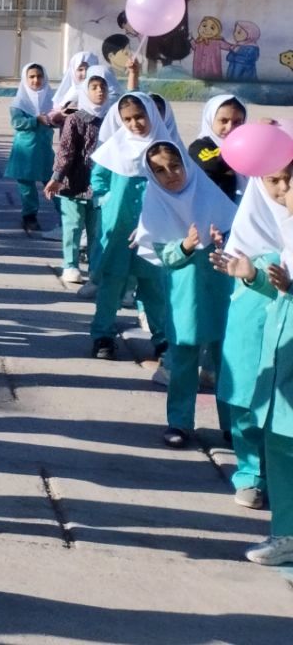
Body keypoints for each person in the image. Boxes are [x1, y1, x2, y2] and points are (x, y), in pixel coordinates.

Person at [133, 140, 235, 448]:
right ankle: (179, 422)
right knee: (183, 361)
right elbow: (164, 256)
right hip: (184, 295)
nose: (170, 175)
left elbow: (237, 236)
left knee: (226, 361)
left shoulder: (209, 194)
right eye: (160, 171)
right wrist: (186, 246)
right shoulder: (157, 202)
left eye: (175, 166)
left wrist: (221, 240)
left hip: (220, 290)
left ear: (186, 165)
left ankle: (232, 424)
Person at [214, 176, 293, 566]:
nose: (282, 191)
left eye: (289, 182)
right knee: (271, 433)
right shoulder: (277, 234)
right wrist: (252, 275)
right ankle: (281, 530)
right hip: (276, 347)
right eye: (276, 182)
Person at [88, 92, 174, 361]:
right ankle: (103, 334)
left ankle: (162, 338)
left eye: (140, 116)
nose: (135, 123)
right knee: (112, 284)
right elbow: (99, 178)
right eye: (128, 119)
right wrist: (107, 200)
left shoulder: (166, 149)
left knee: (154, 287)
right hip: (119, 229)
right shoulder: (115, 147)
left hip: (154, 229)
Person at [45, 68, 111, 288]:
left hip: (100, 185)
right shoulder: (75, 119)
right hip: (74, 181)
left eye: (103, 87)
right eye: (94, 87)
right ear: (85, 90)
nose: (99, 91)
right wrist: (57, 177)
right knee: (72, 226)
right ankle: (70, 265)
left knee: (95, 230)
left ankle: (95, 268)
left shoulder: (112, 119)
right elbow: (66, 150)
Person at [4, 64, 57, 233]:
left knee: (53, 182)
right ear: (25, 79)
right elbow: (17, 123)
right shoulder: (19, 102)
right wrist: (36, 120)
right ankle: (29, 216)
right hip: (25, 150)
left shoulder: (52, 99)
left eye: (39, 76)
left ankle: (67, 215)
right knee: (26, 187)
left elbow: (58, 119)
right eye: (32, 76)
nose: (36, 80)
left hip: (43, 150)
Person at [188, 93, 246, 200]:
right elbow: (212, 165)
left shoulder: (247, 144)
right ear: (210, 118)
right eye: (223, 121)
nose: (229, 127)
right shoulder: (198, 146)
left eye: (237, 122)